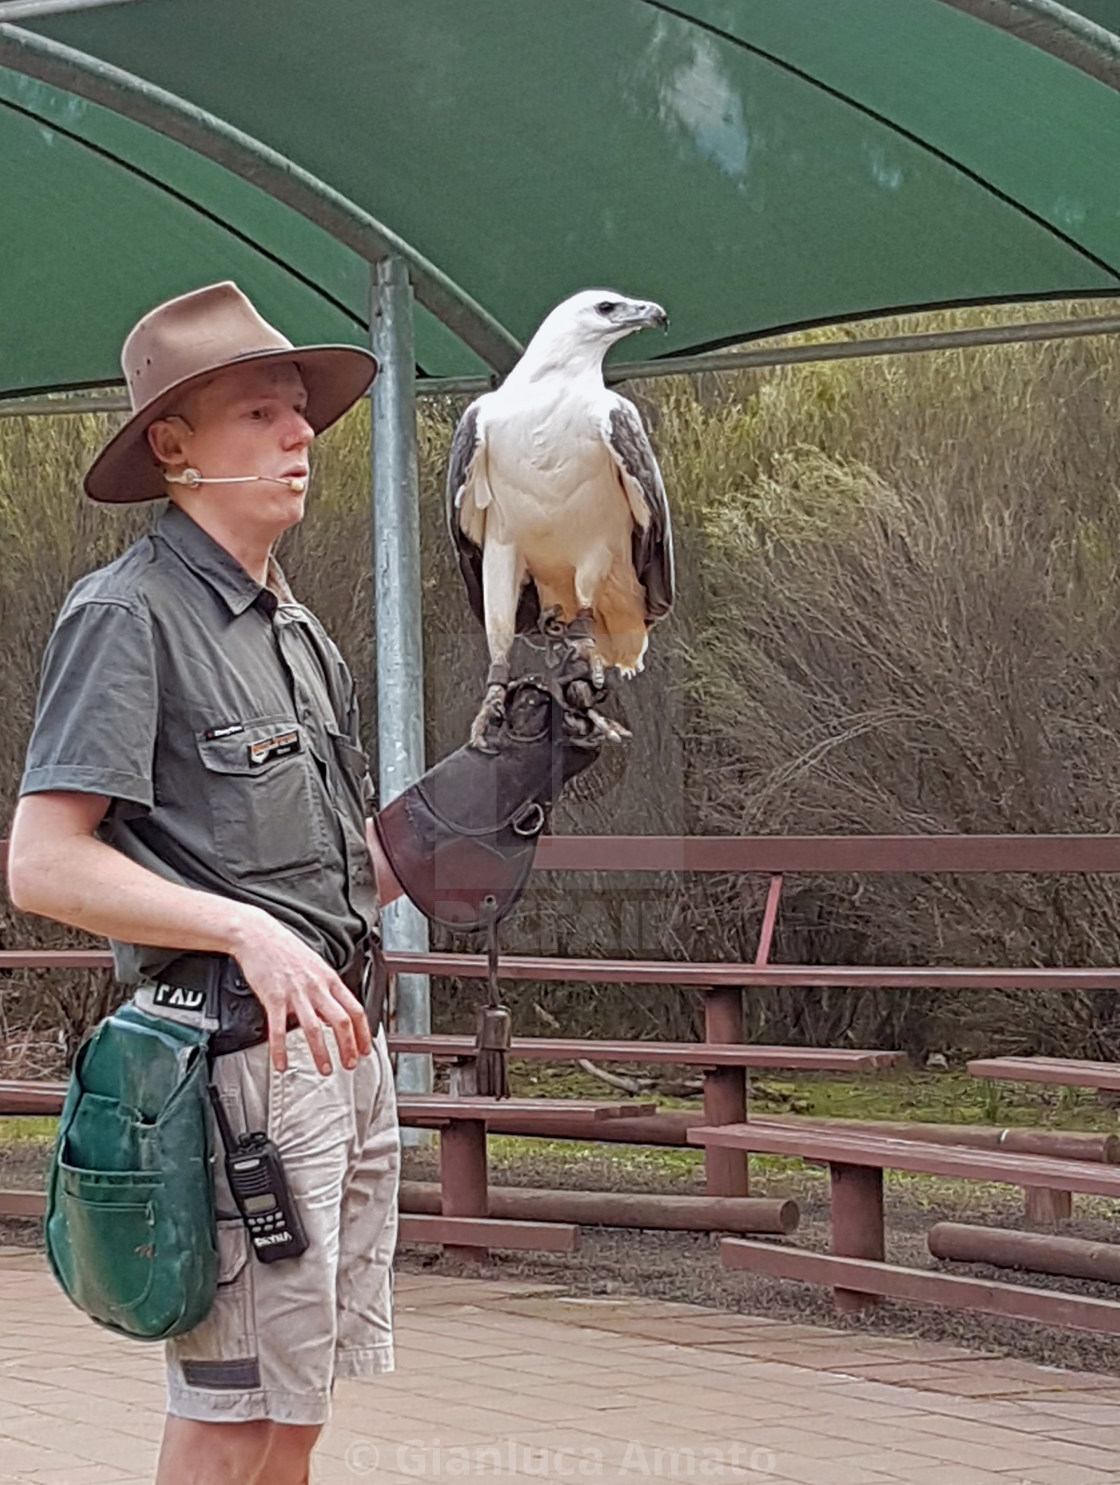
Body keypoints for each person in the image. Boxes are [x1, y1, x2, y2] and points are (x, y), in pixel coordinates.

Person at [7, 281, 407, 1485]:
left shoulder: (296, 631)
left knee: (295, 1409)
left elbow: (351, 875)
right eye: (260, 415)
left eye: (301, 415)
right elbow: (42, 862)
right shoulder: (126, 617)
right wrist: (244, 932)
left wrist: (511, 778)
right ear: (173, 448)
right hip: (228, 1070)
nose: (300, 438)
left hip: (338, 1057)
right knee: (231, 1412)